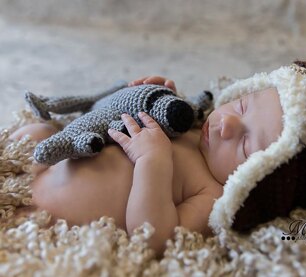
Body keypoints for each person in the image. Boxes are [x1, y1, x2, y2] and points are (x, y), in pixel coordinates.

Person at [10, 75, 284, 257]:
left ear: (255, 181)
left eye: (247, 144)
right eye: (242, 107)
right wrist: (154, 97)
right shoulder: (195, 125)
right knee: (36, 131)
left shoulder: (211, 194)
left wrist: (152, 162)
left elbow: (155, 239)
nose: (227, 125)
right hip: (51, 161)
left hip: (50, 214)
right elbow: (113, 112)